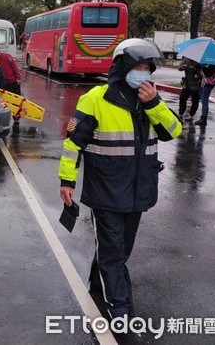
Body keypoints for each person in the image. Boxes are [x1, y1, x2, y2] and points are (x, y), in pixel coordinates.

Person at [58, 38, 182, 321]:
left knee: (119, 250)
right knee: (113, 253)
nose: (142, 73)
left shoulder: (150, 99)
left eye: (147, 68)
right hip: (106, 191)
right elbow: (73, 144)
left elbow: (173, 131)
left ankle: (97, 281)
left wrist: (154, 104)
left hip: (139, 191)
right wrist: (67, 181)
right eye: (137, 67)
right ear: (122, 66)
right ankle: (120, 308)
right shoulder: (96, 99)